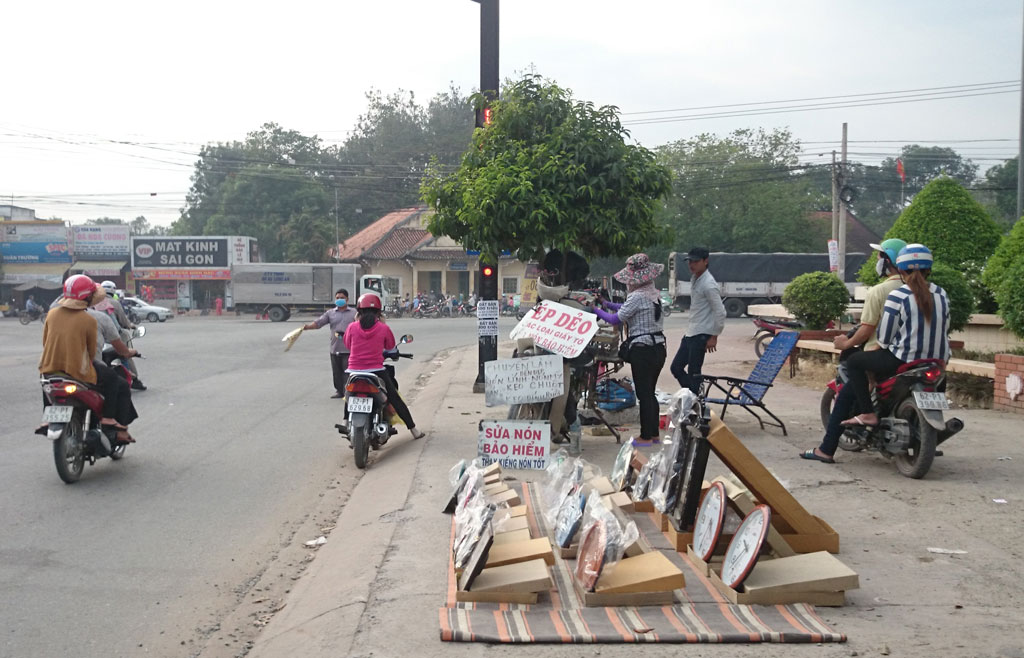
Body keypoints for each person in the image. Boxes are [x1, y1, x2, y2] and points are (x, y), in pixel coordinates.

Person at [801, 238, 907, 463]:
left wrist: (845, 344)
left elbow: (868, 328)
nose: (877, 261)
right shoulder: (921, 291)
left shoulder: (881, 291)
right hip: (917, 356)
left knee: (846, 391)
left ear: (888, 261)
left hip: (882, 355)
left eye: (880, 256)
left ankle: (826, 449)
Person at [38, 275, 138, 442]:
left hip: (49, 367)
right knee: (116, 381)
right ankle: (108, 418)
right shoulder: (89, 319)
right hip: (79, 370)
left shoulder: (52, 314)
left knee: (47, 383)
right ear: (88, 297)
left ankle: (48, 418)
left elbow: (45, 341)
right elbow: (91, 352)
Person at [594, 253, 667, 446]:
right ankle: (654, 435)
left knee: (644, 395)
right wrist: (606, 304)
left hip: (643, 350)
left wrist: (595, 310)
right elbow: (624, 307)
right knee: (650, 393)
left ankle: (645, 437)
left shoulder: (637, 296)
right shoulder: (653, 294)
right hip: (658, 347)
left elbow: (615, 319)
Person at [343, 292, 425, 440]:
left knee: (349, 396)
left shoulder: (352, 327)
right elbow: (390, 346)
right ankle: (414, 430)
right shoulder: (383, 328)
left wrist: (355, 322)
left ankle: (345, 422)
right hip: (376, 371)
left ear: (359, 311)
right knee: (394, 398)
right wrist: (383, 324)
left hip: (354, 370)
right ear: (379, 312)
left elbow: (348, 345)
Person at [670, 247, 726, 394]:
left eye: (695, 261)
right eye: (690, 261)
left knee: (694, 372)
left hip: (701, 334)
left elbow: (720, 312)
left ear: (705, 261)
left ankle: (694, 402)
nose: (691, 265)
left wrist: (714, 336)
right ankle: (693, 397)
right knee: (676, 367)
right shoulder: (695, 278)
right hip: (691, 332)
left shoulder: (709, 284)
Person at [303, 288, 358, 398]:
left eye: (342, 298)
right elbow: (319, 323)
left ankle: (348, 391)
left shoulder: (354, 313)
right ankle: (339, 391)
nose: (339, 300)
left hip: (349, 348)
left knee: (348, 372)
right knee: (337, 372)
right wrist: (307, 327)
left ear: (347, 299)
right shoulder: (330, 313)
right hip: (335, 347)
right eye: (337, 298)